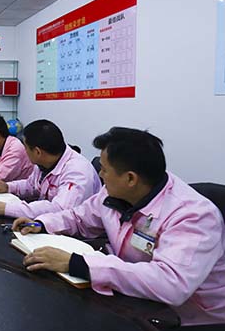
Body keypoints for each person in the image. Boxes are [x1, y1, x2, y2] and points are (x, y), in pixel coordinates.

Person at [13, 127, 225, 326]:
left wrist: (78, 264)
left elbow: (171, 284)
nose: (100, 175)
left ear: (130, 178)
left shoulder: (194, 216)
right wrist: (42, 223)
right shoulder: (116, 192)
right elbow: (80, 217)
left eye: (104, 169)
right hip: (132, 297)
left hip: (188, 318)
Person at [0, 119, 100, 217]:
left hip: (74, 234)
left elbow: (60, 210)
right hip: (47, 222)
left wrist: (7, 209)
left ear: (37, 152)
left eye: (25, 147)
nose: (24, 151)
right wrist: (8, 187)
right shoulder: (44, 162)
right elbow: (32, 185)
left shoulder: (77, 171)